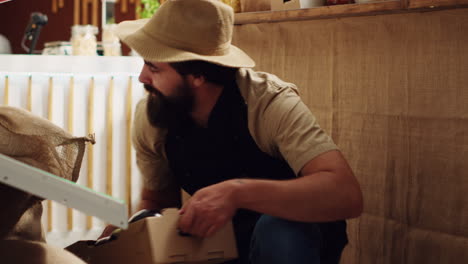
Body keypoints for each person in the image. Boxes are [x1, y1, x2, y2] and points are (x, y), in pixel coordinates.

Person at [102, 0, 363, 263]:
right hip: (218, 241)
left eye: (154, 67)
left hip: (292, 241)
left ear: (197, 75)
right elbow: (158, 204)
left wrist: (237, 193)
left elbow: (345, 194)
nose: (142, 78)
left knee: (279, 229)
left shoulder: (268, 103)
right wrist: (110, 244)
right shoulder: (152, 115)